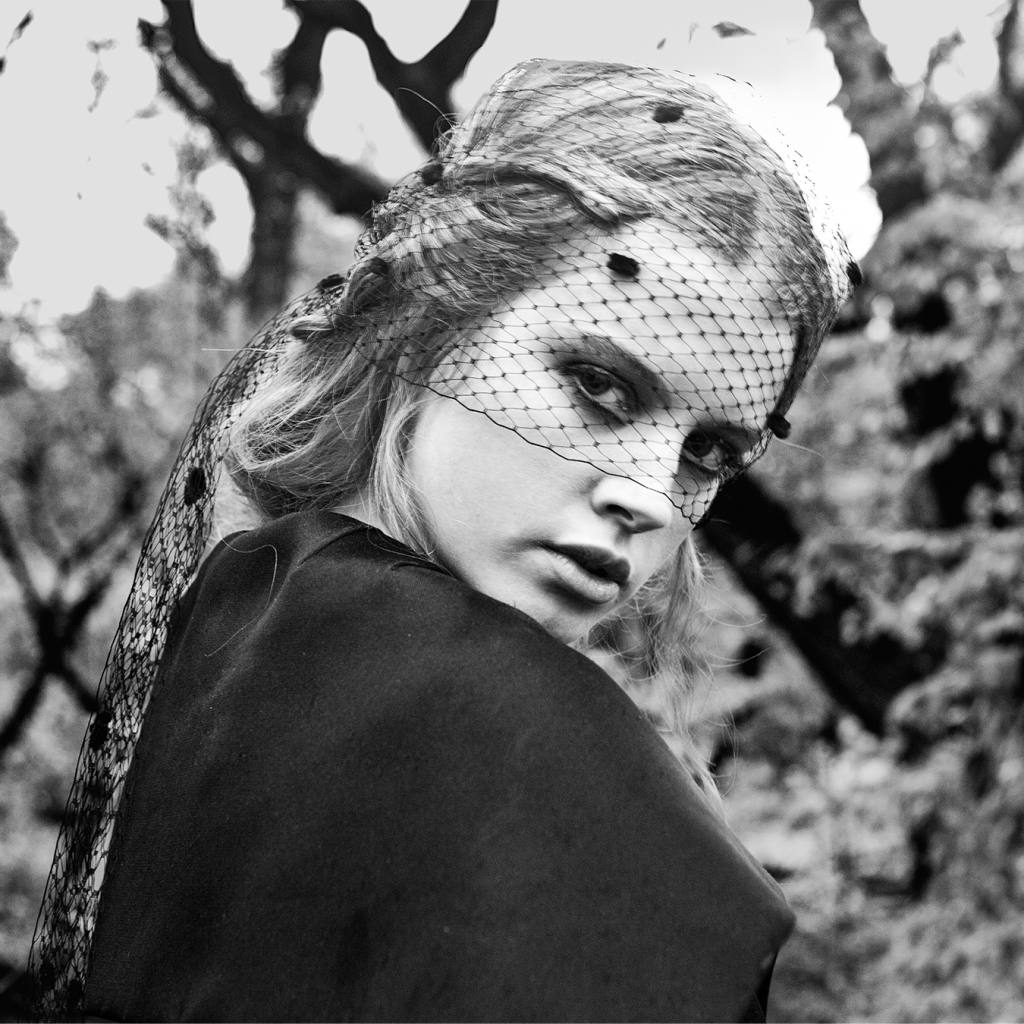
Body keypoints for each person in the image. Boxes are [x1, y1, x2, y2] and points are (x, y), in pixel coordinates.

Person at [31, 59, 858, 1024]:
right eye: (598, 386)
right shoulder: (520, 743)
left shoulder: (248, 609)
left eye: (706, 452)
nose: (647, 497)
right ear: (429, 330)